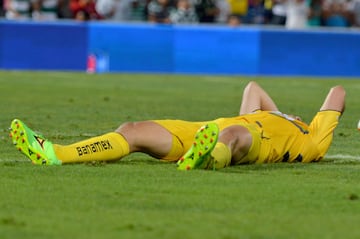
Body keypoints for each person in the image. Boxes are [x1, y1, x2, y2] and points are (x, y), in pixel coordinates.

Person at [9, 81, 346, 170]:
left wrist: (291, 120)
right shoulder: (276, 117)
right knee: (133, 129)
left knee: (231, 137)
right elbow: (252, 88)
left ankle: (208, 160)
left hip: (253, 142)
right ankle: (57, 153)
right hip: (204, 130)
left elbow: (338, 92)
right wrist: (283, 114)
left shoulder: (313, 140)